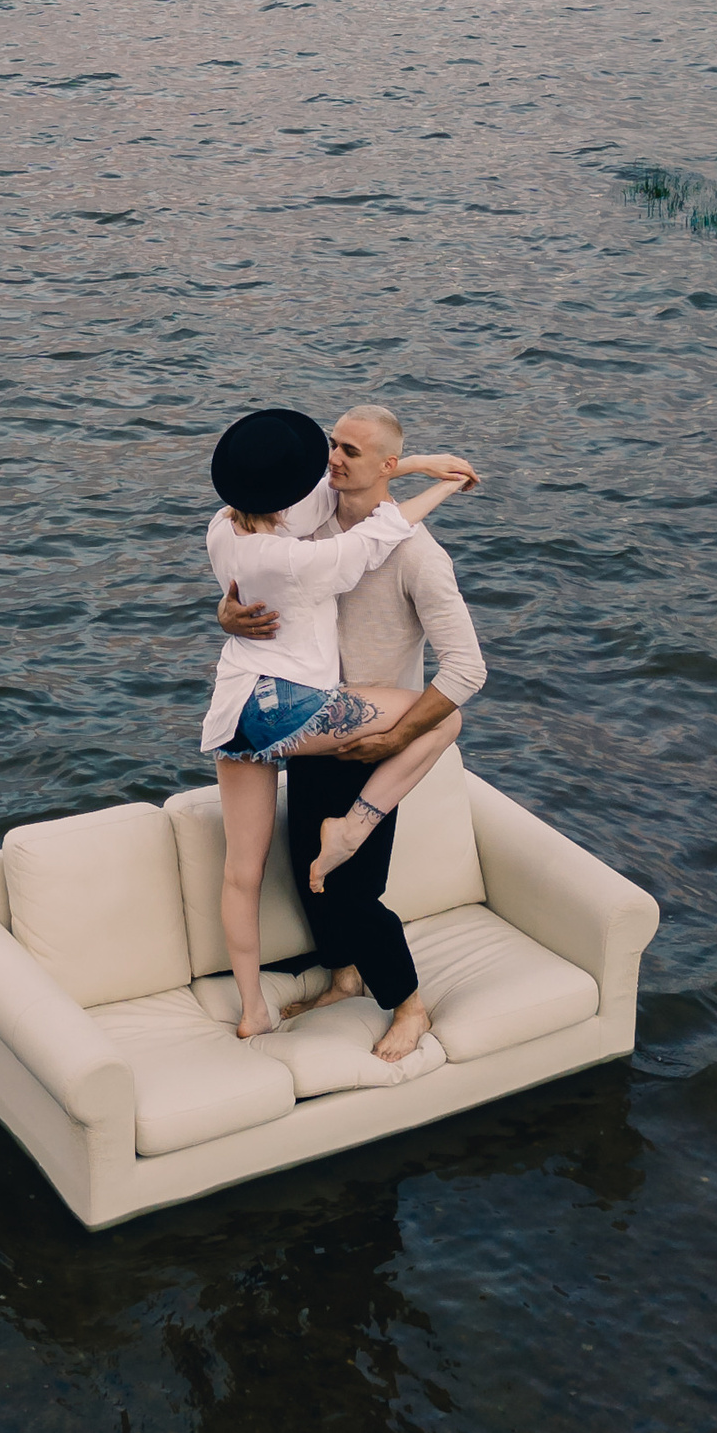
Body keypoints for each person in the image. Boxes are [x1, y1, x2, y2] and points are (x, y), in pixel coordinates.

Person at [216, 401, 488, 1066]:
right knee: (303, 872)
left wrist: (395, 741)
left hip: (374, 736)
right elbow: (253, 568)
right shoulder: (307, 521)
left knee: (352, 891)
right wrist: (228, 613)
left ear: (386, 467)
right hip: (311, 722)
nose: (332, 459)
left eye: (349, 452)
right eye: (331, 444)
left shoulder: (418, 558)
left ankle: (410, 1005)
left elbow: (468, 669)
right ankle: (344, 977)